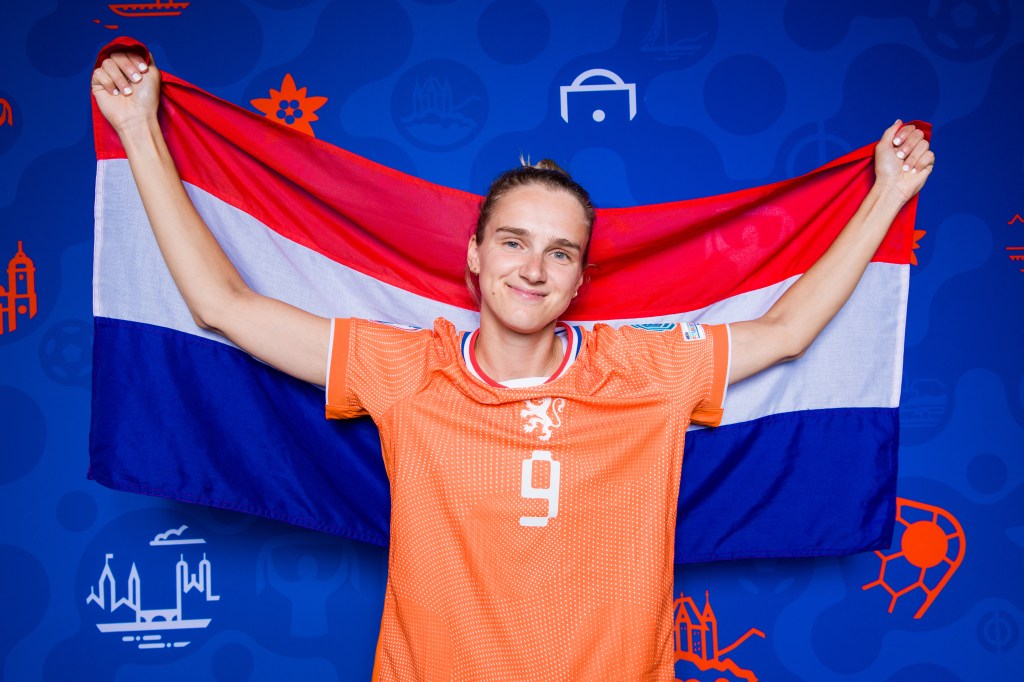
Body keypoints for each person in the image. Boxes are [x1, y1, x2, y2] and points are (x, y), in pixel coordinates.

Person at [92, 51, 933, 680]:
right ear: (474, 258)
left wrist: (887, 196)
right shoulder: (403, 369)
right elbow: (223, 307)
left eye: (561, 253)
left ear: (578, 280)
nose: (534, 268)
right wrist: (138, 132)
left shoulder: (645, 369)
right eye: (514, 242)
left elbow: (785, 331)